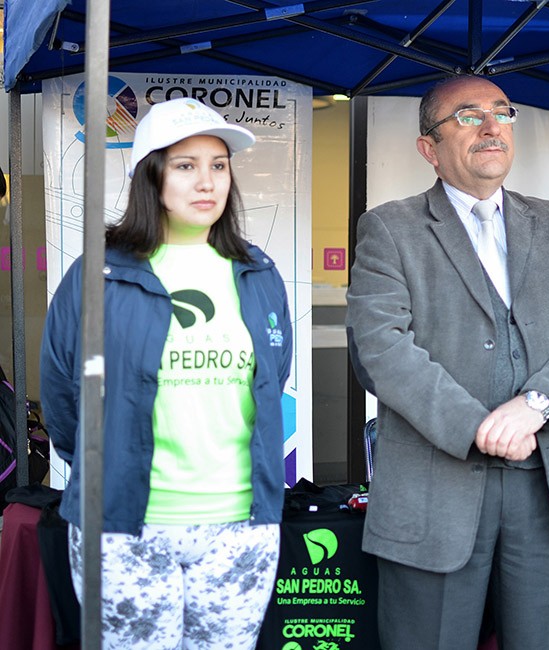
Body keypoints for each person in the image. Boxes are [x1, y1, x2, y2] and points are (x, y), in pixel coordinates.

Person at [345, 75, 549, 650]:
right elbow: (381, 349)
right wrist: (478, 427)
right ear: (430, 148)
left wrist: (536, 405)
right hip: (432, 491)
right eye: (468, 116)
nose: (492, 126)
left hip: (542, 490)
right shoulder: (389, 228)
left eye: (502, 113)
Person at [40, 97, 292, 649]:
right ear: (149, 179)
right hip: (124, 526)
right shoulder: (97, 274)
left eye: (218, 165)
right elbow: (61, 398)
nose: (207, 181)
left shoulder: (258, 272)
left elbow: (272, 375)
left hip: (240, 528)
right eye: (185, 165)